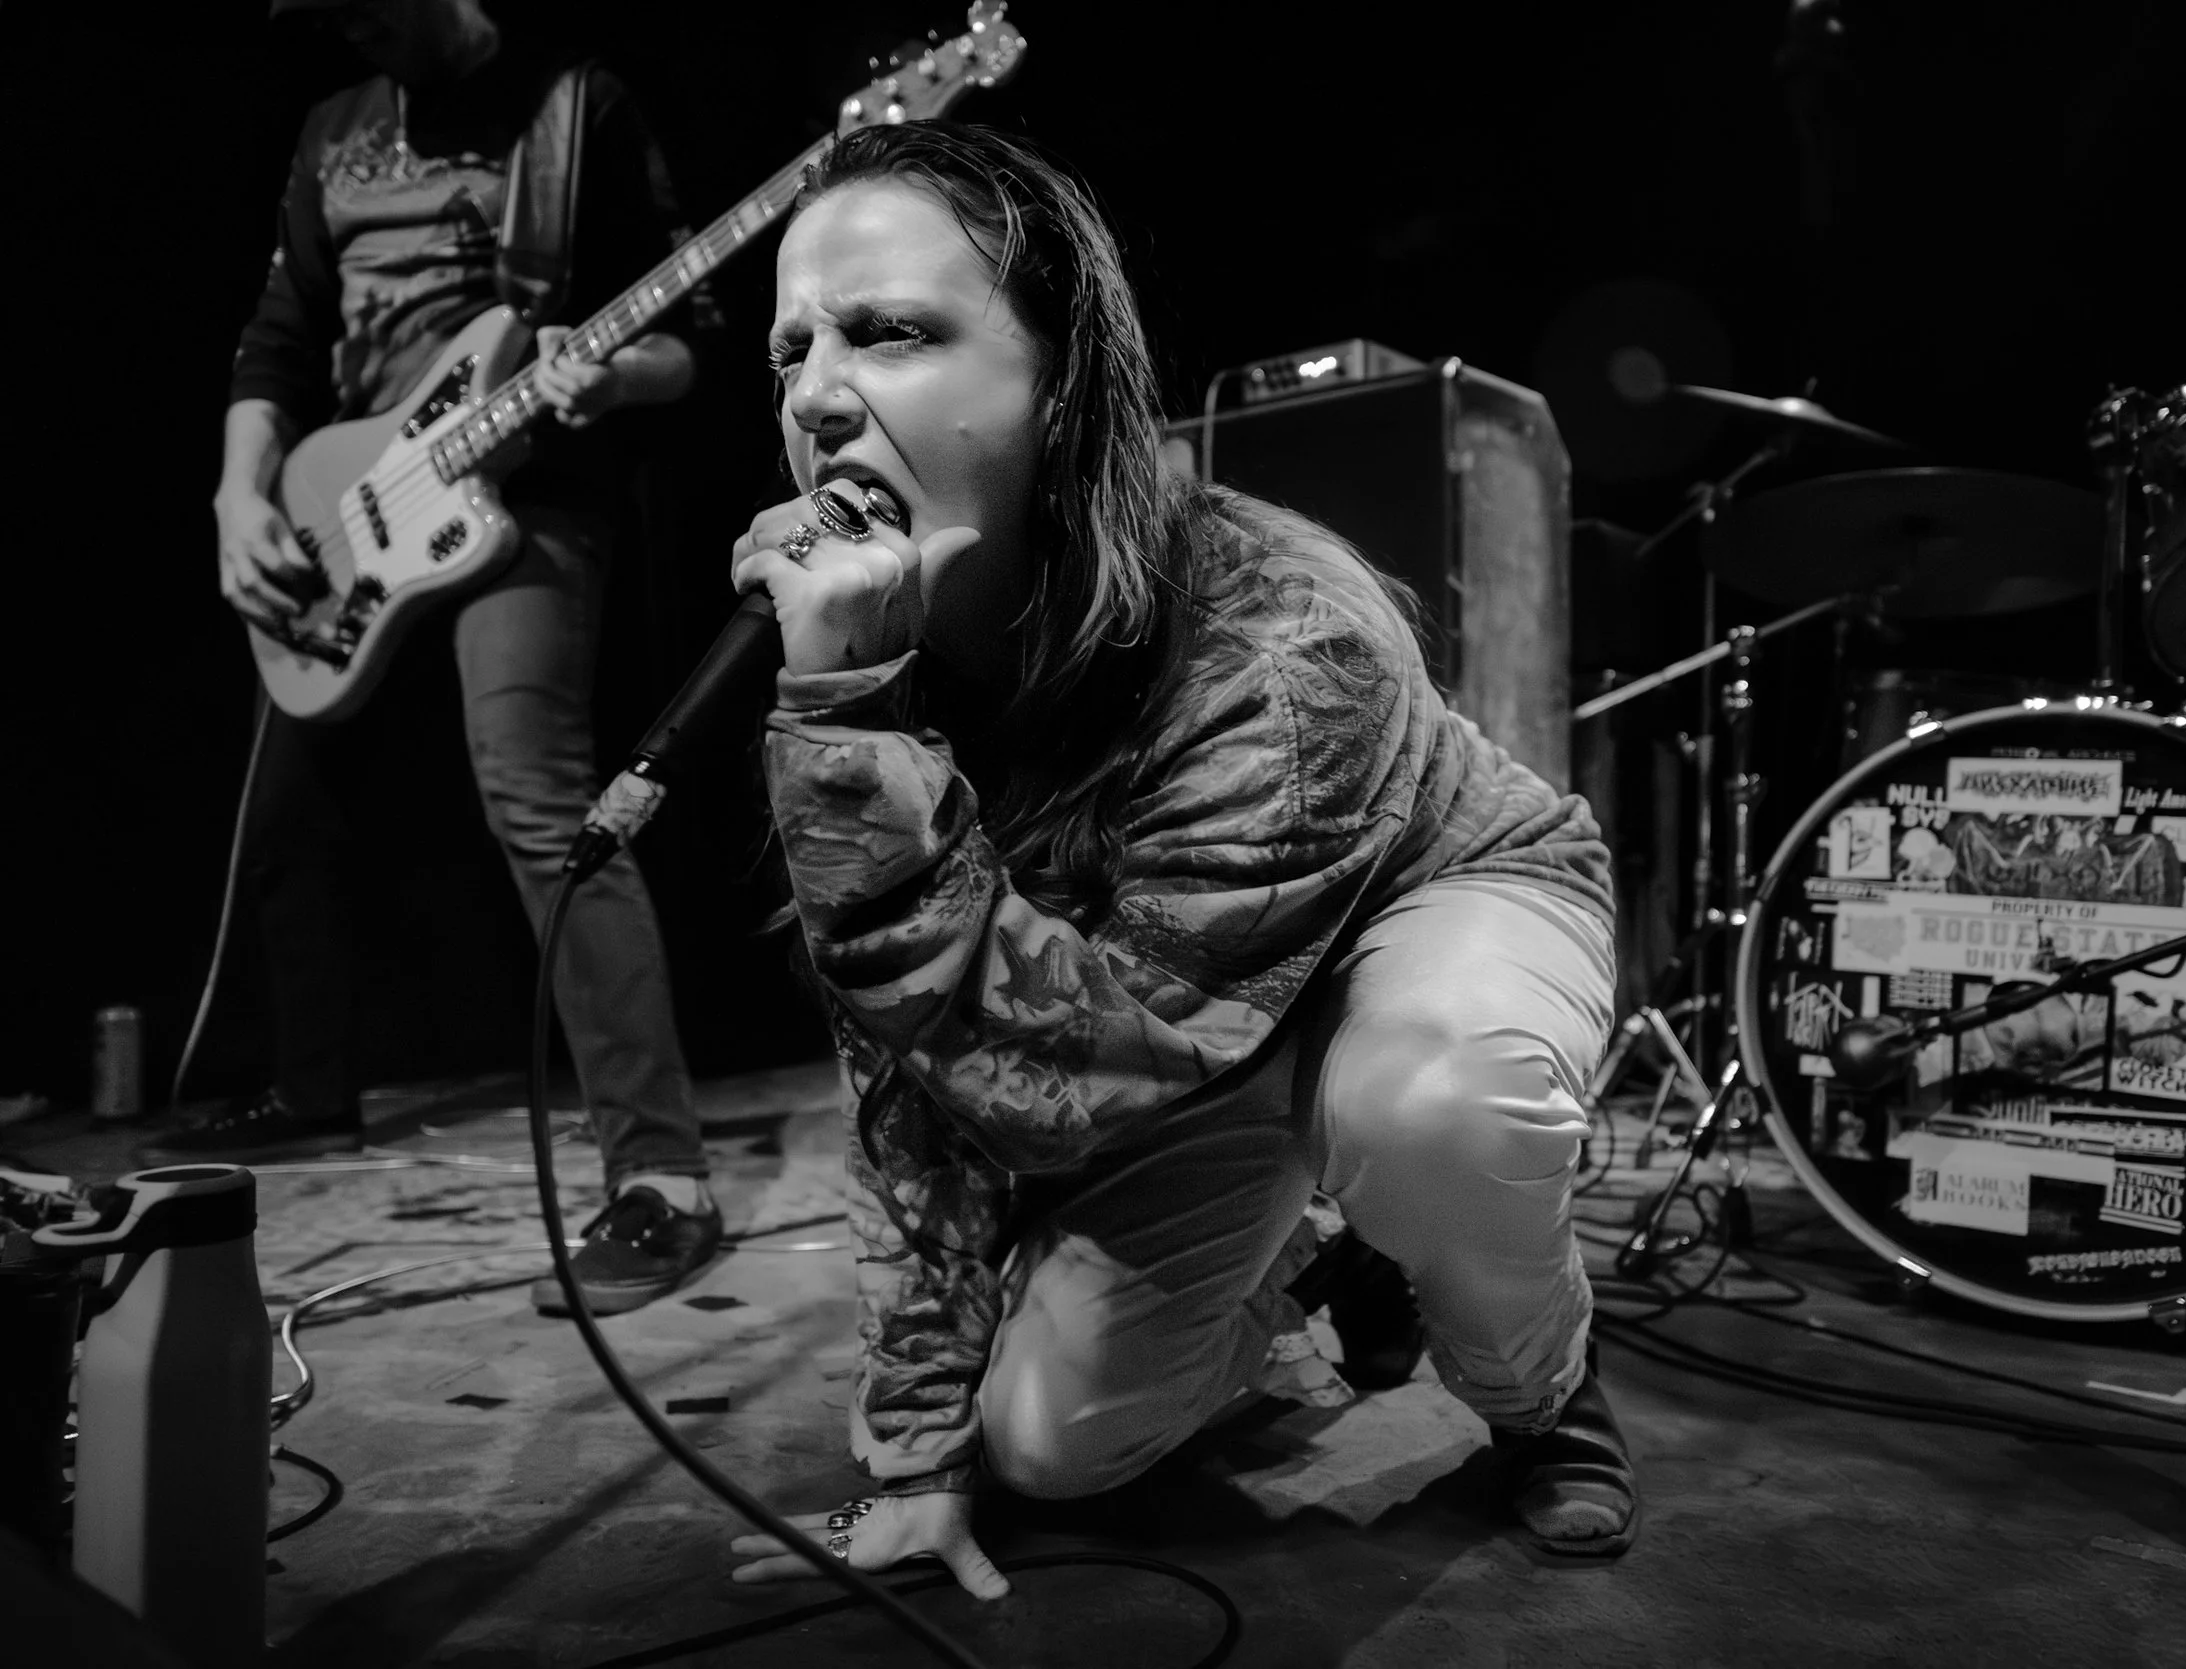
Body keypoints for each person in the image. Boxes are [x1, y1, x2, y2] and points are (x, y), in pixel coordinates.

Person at [716, 122, 1638, 1602]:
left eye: (891, 334)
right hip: (1168, 1017)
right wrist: (916, 1450)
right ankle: (1326, 1250)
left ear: (1060, 376)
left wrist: (852, 743)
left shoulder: (1288, 647)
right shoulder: (876, 648)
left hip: (1423, 905)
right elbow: (908, 1061)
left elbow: (1061, 1082)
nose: (818, 395)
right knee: (1047, 1451)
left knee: (1427, 1103)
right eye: (789, 350)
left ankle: (1543, 1396)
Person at [157, 0, 721, 1316]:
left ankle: (664, 1179)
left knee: (537, 794)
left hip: (525, 496)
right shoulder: (333, 129)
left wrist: (617, 378)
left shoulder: (575, 105)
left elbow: (696, 341)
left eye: (373, 12)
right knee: (285, 807)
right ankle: (312, 1088)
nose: (359, 39)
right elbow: (278, 337)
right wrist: (239, 499)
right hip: (348, 499)